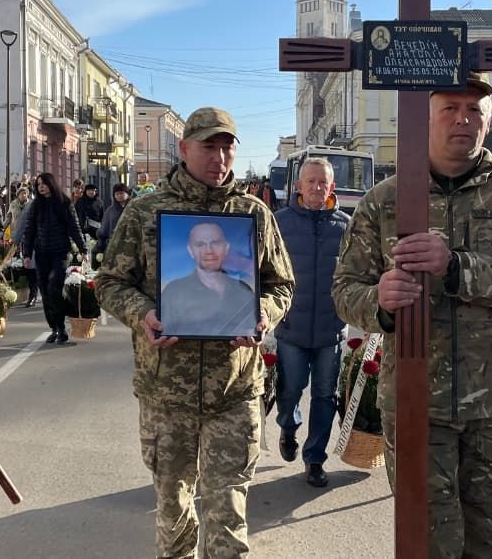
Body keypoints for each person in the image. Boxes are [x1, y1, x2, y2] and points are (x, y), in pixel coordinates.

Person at [332, 71, 492, 557]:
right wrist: (379, 301)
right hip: (417, 406)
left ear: (489, 119)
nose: (463, 119)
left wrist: (457, 267)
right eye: (450, 109)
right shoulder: (385, 199)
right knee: (428, 544)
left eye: (475, 110)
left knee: (489, 542)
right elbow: (345, 288)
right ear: (425, 119)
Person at [95, 106, 294, 558]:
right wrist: (143, 313)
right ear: (184, 149)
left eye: (227, 147)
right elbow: (109, 282)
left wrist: (262, 313)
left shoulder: (254, 215)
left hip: (234, 388)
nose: (219, 157)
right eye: (209, 146)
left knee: (228, 512)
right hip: (167, 392)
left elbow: (281, 283)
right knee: (174, 509)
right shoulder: (147, 212)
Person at [273, 157, 350, 487]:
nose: (318, 187)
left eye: (324, 182)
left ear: (332, 187)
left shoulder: (346, 225)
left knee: (325, 394)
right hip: (291, 327)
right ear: (299, 186)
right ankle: (288, 427)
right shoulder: (279, 223)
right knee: (289, 391)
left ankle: (315, 458)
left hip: (331, 329)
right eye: (312, 181)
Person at [160, 221, 258, 338]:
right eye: (200, 244)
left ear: (226, 248)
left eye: (215, 243)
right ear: (190, 251)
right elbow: (164, 333)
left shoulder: (244, 291)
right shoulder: (173, 292)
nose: (209, 251)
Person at [20, 172, 86, 344]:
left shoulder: (64, 203)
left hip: (61, 252)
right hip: (41, 253)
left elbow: (74, 227)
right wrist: (26, 255)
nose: (41, 187)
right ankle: (54, 328)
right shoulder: (36, 205)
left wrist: (83, 249)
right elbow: (29, 231)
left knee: (54, 288)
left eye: (44, 183)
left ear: (51, 183)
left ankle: (62, 327)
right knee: (44, 291)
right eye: (38, 184)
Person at [97, 182, 132, 259]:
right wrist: (101, 246)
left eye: (121, 193)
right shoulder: (110, 211)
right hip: (114, 246)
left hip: (132, 246)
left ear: (127, 193)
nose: (119, 196)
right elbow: (104, 230)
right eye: (117, 194)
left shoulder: (134, 208)